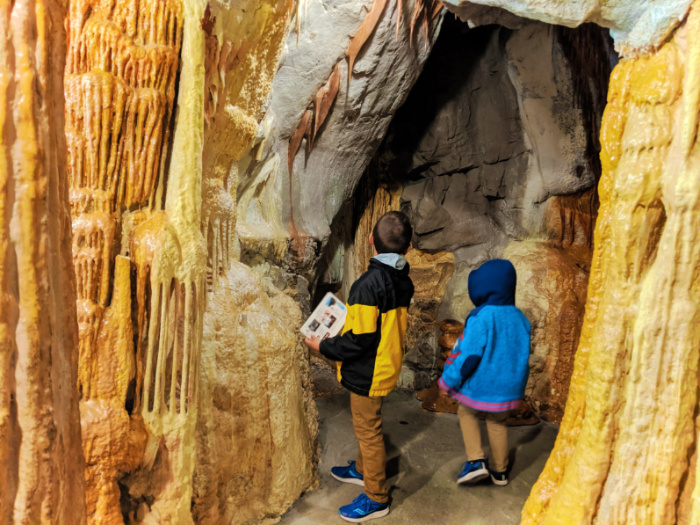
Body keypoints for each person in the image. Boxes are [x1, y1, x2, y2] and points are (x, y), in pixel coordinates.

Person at [305, 210, 414, 522]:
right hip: (385, 363)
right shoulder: (403, 279)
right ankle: (360, 469)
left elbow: (359, 341)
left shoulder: (368, 284)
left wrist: (321, 345)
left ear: (370, 240)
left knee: (369, 430)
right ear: (408, 249)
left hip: (368, 371)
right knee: (368, 423)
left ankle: (377, 496)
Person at [438, 259, 530, 486]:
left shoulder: (482, 316)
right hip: (508, 389)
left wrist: (447, 381)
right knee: (497, 424)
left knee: (466, 413)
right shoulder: (520, 318)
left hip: (483, 385)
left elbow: (469, 356)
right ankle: (500, 472)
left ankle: (476, 461)